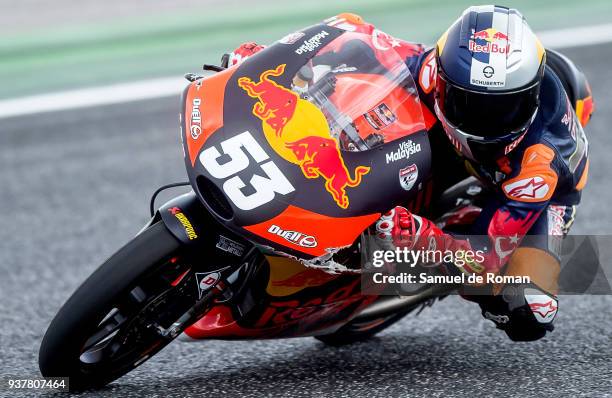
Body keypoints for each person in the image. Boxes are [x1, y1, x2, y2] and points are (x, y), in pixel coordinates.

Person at [222, 5, 593, 341]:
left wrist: (429, 239)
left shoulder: (538, 164)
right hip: (460, 150)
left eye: (504, 108)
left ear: (530, 98)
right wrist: (265, 65)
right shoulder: (426, 65)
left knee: (529, 307)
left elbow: (488, 256)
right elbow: (347, 30)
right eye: (468, 102)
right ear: (442, 73)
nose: (484, 121)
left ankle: (431, 269)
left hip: (529, 190)